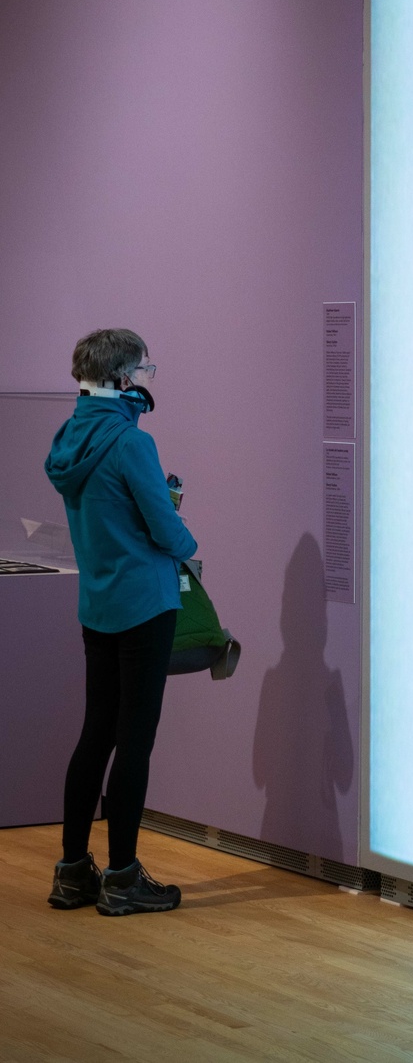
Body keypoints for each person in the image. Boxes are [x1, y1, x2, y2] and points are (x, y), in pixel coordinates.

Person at [44, 328, 197, 916]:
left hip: (98, 604)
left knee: (95, 735)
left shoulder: (69, 437)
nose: (147, 378)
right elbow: (163, 528)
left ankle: (73, 872)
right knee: (136, 741)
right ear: (124, 378)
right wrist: (187, 539)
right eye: (144, 369)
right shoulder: (134, 445)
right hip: (145, 604)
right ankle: (123, 878)